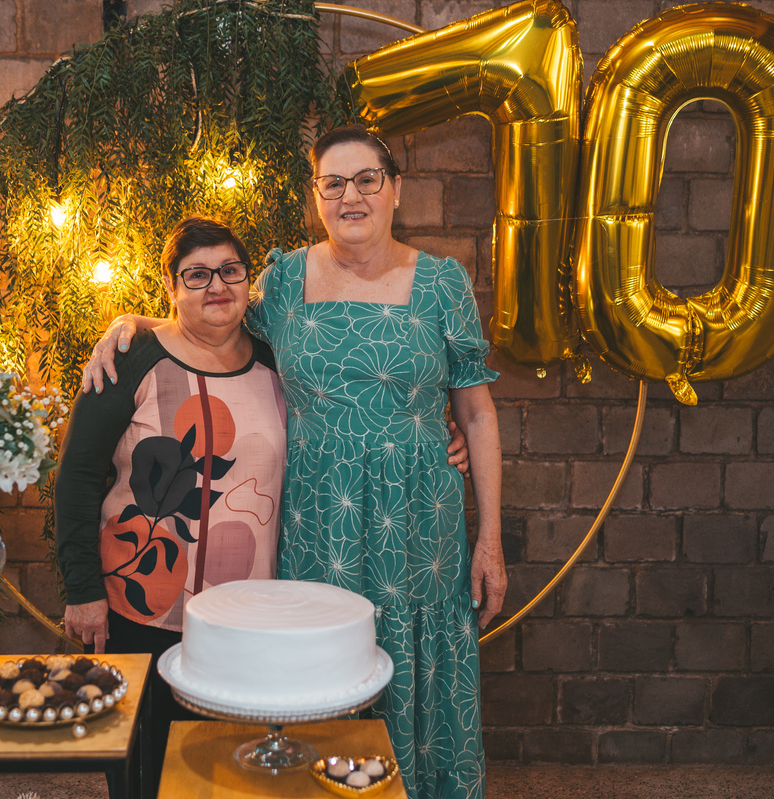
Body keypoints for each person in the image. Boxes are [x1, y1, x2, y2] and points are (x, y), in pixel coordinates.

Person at [84, 125, 504, 799]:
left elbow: (477, 414)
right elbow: (210, 321)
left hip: (418, 519)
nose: (350, 196)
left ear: (395, 189)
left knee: (416, 660)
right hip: (317, 517)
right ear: (316, 196)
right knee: (316, 663)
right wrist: (129, 323)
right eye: (333, 183)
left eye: (367, 179)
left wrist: (490, 541)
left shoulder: (442, 283)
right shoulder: (283, 282)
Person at [54, 217, 289, 799]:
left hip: (246, 614)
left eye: (230, 270)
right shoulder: (131, 360)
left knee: (234, 770)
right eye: (197, 275)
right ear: (171, 286)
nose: (217, 286)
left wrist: (447, 436)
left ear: (248, 279)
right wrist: (82, 590)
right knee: (146, 770)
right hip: (142, 608)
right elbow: (77, 477)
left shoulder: (276, 363)